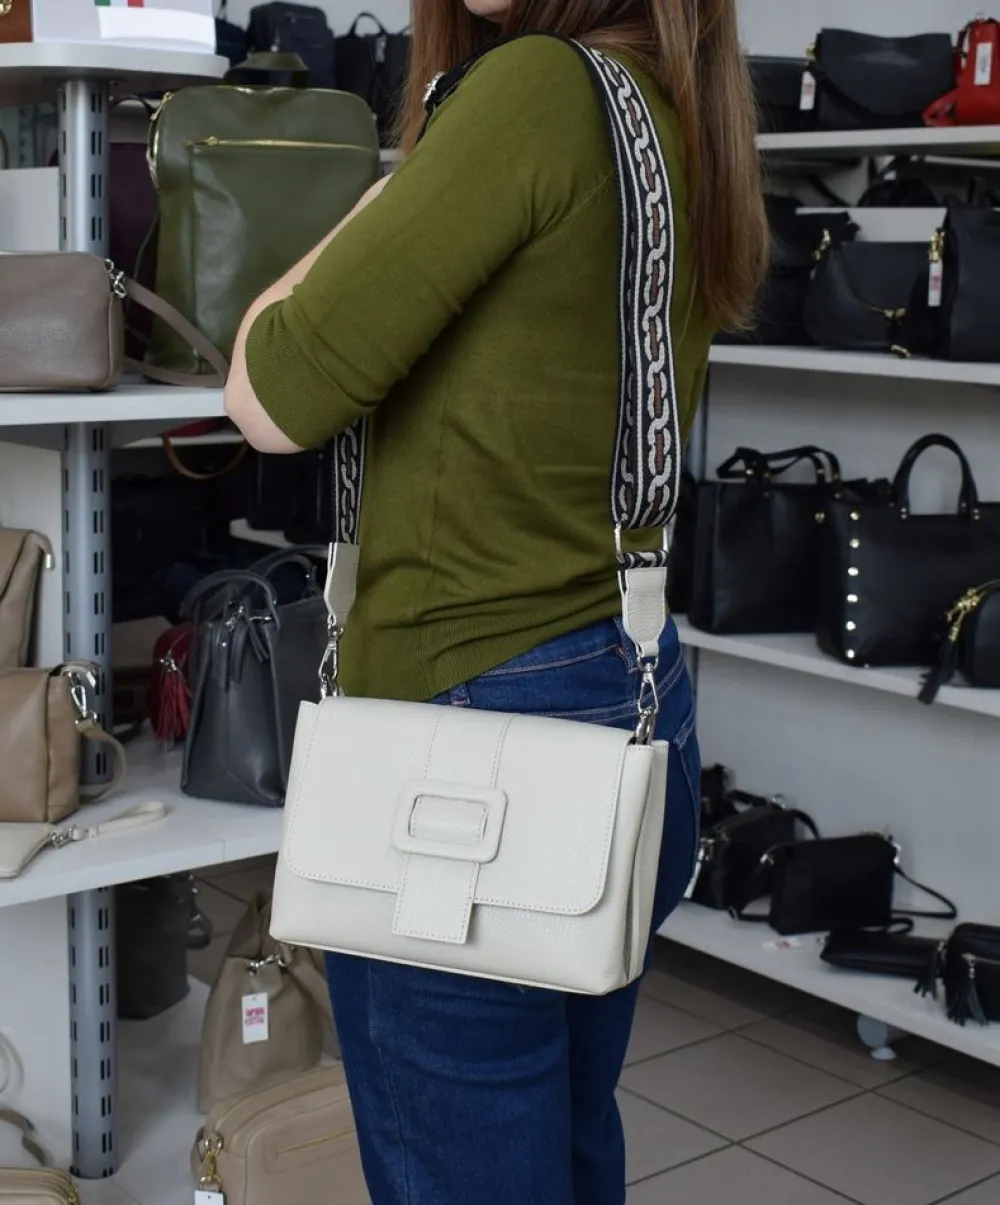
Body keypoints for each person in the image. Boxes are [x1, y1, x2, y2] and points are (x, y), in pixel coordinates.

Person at [224, 1, 767, 1200]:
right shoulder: (667, 110)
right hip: (622, 699)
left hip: (463, 744)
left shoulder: (527, 92)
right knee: (562, 1145)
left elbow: (269, 393)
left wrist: (396, 187)